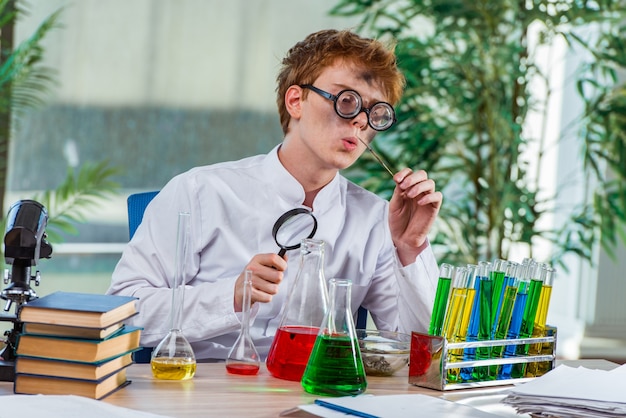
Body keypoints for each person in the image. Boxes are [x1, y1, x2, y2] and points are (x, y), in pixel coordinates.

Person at [107, 29, 443, 361]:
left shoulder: (375, 220)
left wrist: (410, 248)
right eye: (346, 101)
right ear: (296, 100)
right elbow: (121, 314)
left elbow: (420, 352)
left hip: (311, 400)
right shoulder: (199, 192)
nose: (360, 121)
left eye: (375, 113)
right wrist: (231, 297)